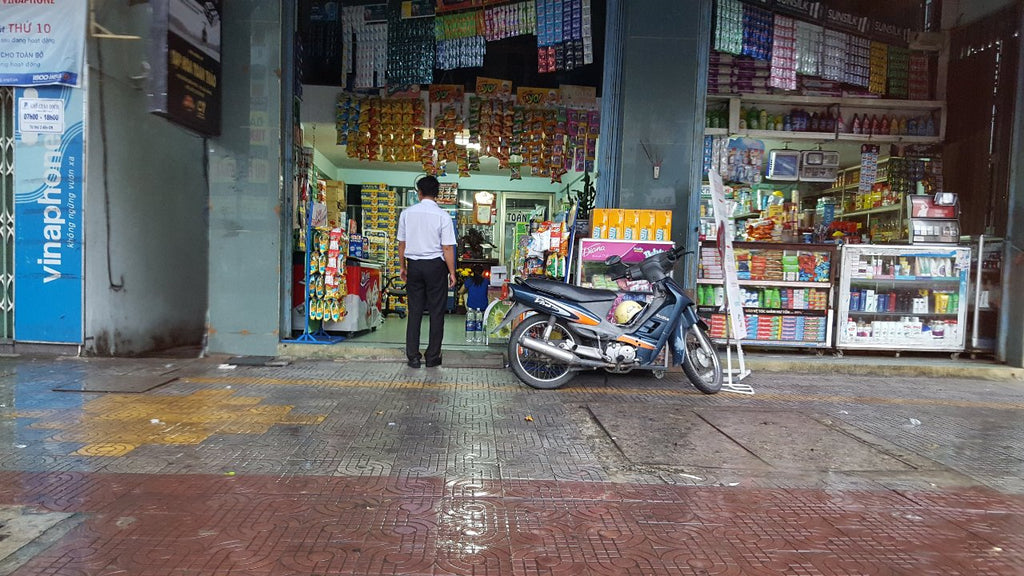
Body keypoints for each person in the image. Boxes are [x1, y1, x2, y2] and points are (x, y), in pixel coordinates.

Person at [397, 175, 457, 368]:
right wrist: (452, 272)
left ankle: (413, 357)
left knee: (414, 311)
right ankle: (432, 357)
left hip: (414, 265)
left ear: (419, 193)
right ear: (437, 194)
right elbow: (447, 248)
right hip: (435, 267)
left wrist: (402, 266)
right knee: (436, 311)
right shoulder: (443, 216)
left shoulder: (407, 214)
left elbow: (402, 244)